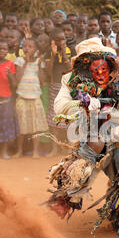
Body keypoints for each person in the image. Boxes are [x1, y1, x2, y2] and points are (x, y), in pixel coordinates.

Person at [51, 37, 119, 238]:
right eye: (89, 61)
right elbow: (59, 107)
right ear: (82, 64)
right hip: (92, 133)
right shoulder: (71, 81)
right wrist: (81, 104)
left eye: (99, 60)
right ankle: (68, 194)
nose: (96, 67)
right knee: (93, 147)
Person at [13, 38, 48, 159]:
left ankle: (36, 151)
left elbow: (43, 81)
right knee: (21, 127)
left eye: (30, 46)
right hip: (22, 96)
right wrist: (25, 63)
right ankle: (19, 151)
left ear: (36, 49)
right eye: (25, 46)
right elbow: (17, 79)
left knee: (36, 127)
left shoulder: (39, 61)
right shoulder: (19, 60)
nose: (27, 49)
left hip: (35, 97)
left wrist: (39, 67)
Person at [46, 28, 75, 156]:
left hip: (68, 87)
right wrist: (53, 55)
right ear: (52, 41)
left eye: (63, 39)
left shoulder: (70, 51)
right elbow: (48, 72)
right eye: (57, 40)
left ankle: (68, 147)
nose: (60, 42)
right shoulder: (49, 52)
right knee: (54, 118)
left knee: (69, 117)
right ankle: (54, 147)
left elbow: (72, 69)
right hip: (54, 86)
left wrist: (64, 55)